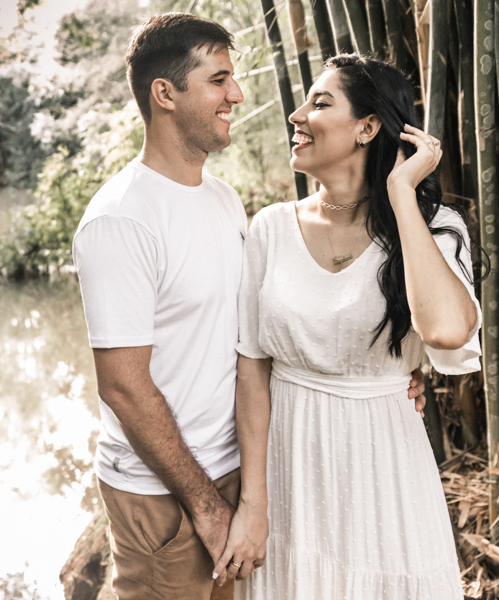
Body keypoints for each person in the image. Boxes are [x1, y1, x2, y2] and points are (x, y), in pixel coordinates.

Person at [71, 16, 427, 599]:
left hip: (235, 474)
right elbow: (123, 387)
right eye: (219, 80)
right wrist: (208, 510)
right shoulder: (121, 219)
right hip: (165, 497)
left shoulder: (222, 200)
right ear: (166, 94)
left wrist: (392, 368)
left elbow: (260, 336)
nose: (237, 94)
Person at [219, 54, 483, 599]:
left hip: (384, 463)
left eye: (320, 103)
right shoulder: (269, 228)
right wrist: (253, 503)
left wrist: (402, 195)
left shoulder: (434, 227)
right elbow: (250, 373)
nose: (296, 114)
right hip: (290, 465)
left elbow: (448, 332)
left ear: (367, 126)